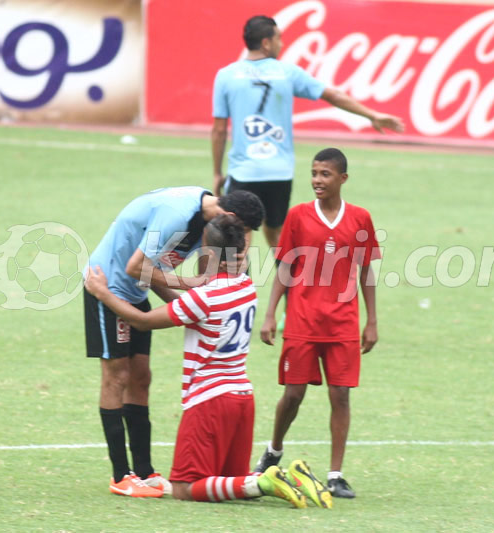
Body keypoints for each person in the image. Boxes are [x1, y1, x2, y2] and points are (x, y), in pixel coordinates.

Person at [85, 214, 333, 509]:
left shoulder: (203, 298)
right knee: (229, 482)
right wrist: (150, 279)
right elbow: (190, 307)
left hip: (209, 401)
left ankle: (262, 481)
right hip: (242, 400)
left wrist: (102, 292)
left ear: (210, 255)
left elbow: (142, 321)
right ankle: (291, 478)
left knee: (183, 487)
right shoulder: (246, 286)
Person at [84, 186, 264, 497]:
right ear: (230, 216)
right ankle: (120, 476)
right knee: (117, 376)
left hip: (136, 293)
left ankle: (144, 472)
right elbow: (136, 268)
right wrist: (190, 286)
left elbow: (156, 273)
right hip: (107, 287)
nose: (243, 241)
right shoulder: (177, 216)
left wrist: (189, 306)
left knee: (141, 378)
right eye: (244, 231)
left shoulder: (207, 224)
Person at [212, 15, 404, 249]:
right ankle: (292, 276)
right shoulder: (287, 72)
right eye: (279, 38)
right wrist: (371, 115)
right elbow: (333, 95)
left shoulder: (226, 75)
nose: (282, 43)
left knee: (239, 236)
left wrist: (217, 172)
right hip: (279, 172)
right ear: (266, 43)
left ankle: (239, 275)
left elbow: (219, 130)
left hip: (244, 171)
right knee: (277, 236)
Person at [254, 148, 381, 499]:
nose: (317, 180)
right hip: (302, 321)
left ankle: (336, 475)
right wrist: (270, 313)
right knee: (293, 395)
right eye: (314, 173)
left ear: (343, 178)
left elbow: (366, 271)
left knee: (340, 395)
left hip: (343, 324)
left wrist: (372, 321)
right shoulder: (297, 216)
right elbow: (284, 268)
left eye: (325, 174)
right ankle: (274, 451)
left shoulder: (360, 218)